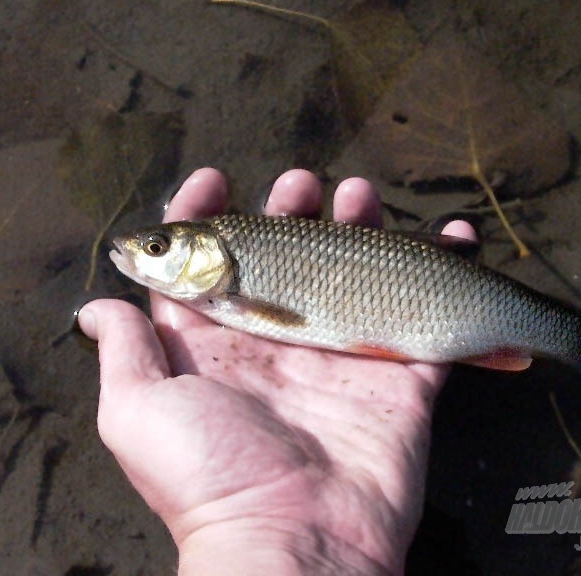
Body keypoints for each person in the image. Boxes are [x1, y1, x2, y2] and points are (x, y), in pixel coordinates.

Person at [77, 168, 530, 575]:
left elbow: (286, 318)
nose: (141, 253)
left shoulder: (234, 289)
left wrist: (242, 530)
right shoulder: (226, 279)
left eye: (157, 248)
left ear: (212, 253)